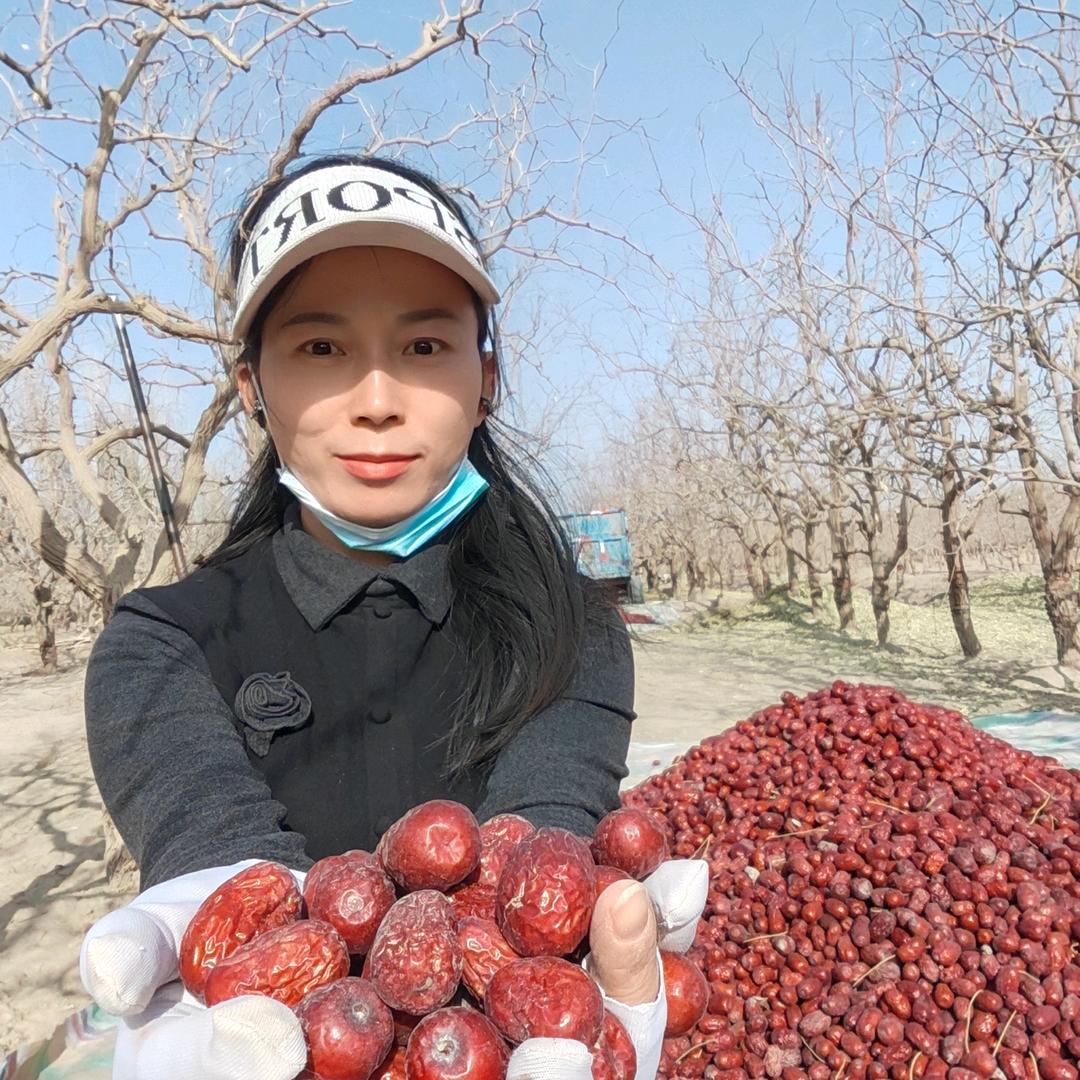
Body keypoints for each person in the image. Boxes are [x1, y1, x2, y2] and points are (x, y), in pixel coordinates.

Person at [78, 155, 706, 1079]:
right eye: (321, 349)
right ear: (252, 385)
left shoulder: (572, 633)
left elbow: (530, 878)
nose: (377, 403)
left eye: (422, 348)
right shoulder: (161, 644)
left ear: (485, 375)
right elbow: (227, 877)